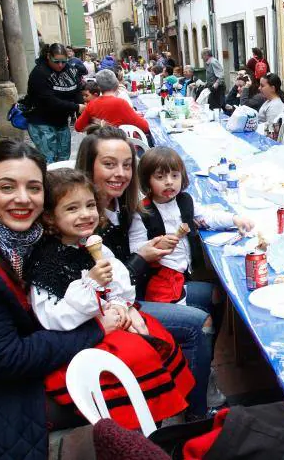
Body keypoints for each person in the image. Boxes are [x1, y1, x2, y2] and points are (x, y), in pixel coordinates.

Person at [0, 141, 111, 458]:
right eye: (7, 186)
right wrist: (96, 329)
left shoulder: (22, 238)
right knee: (115, 384)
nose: (23, 198)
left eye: (34, 187)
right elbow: (6, 357)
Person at [25, 168, 195, 428]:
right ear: (49, 216)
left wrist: (119, 303)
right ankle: (134, 428)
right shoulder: (48, 262)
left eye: (90, 205)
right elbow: (54, 318)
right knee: (137, 354)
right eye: (72, 209)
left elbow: (118, 283)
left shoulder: (90, 243)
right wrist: (91, 285)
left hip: (108, 320)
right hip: (79, 339)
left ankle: (155, 420)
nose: (85, 214)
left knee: (154, 334)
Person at [75, 126, 221, 416]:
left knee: (213, 295)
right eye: (109, 164)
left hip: (132, 294)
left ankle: (198, 371)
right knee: (199, 323)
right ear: (88, 168)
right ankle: (196, 413)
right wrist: (142, 258)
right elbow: (106, 283)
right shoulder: (84, 217)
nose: (120, 173)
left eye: (126, 165)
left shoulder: (123, 206)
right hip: (108, 311)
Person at [130, 147, 254, 304]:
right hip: (160, 281)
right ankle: (200, 321)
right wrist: (154, 246)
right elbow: (135, 248)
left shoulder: (185, 200)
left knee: (221, 294)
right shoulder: (143, 211)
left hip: (185, 272)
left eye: (174, 176)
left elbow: (207, 216)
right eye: (160, 177)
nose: (169, 181)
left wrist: (234, 219)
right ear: (147, 180)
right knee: (209, 310)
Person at [25, 42, 86, 163]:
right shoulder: (39, 73)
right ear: (48, 56)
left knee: (64, 160)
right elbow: (49, 101)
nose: (61, 65)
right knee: (49, 160)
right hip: (41, 121)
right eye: (56, 61)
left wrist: (81, 115)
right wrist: (76, 107)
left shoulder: (69, 69)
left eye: (64, 61)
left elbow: (76, 90)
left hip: (61, 121)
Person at [75, 70, 149, 135]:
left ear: (99, 88)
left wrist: (93, 123)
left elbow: (78, 127)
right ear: (116, 84)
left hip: (98, 144)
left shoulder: (92, 104)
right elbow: (145, 127)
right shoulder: (121, 103)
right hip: (119, 144)